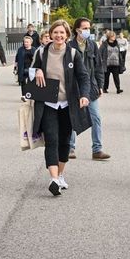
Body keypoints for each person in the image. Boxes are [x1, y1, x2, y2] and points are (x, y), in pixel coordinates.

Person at [30, 20, 91, 196]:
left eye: (62, 33)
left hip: (67, 105)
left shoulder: (72, 54)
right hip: (48, 104)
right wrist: (38, 71)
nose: (58, 36)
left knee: (65, 142)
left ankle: (61, 174)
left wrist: (85, 96)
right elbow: (31, 72)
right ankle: (54, 179)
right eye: (55, 32)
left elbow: (83, 77)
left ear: (67, 35)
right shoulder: (41, 52)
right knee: (51, 140)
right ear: (50, 34)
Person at [68, 17, 111, 160]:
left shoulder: (92, 45)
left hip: (91, 87)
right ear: (77, 30)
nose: (87, 31)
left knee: (96, 117)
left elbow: (99, 67)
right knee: (72, 117)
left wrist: (100, 85)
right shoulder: (69, 46)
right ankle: (70, 148)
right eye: (85, 28)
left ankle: (97, 150)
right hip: (74, 87)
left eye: (89, 28)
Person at [14, 36, 37, 101]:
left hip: (31, 68)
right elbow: (17, 58)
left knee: (31, 82)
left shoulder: (34, 49)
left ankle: (30, 95)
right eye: (25, 42)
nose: (25, 43)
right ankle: (24, 96)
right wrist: (15, 66)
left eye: (27, 42)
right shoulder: (20, 49)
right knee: (23, 82)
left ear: (31, 43)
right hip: (22, 67)